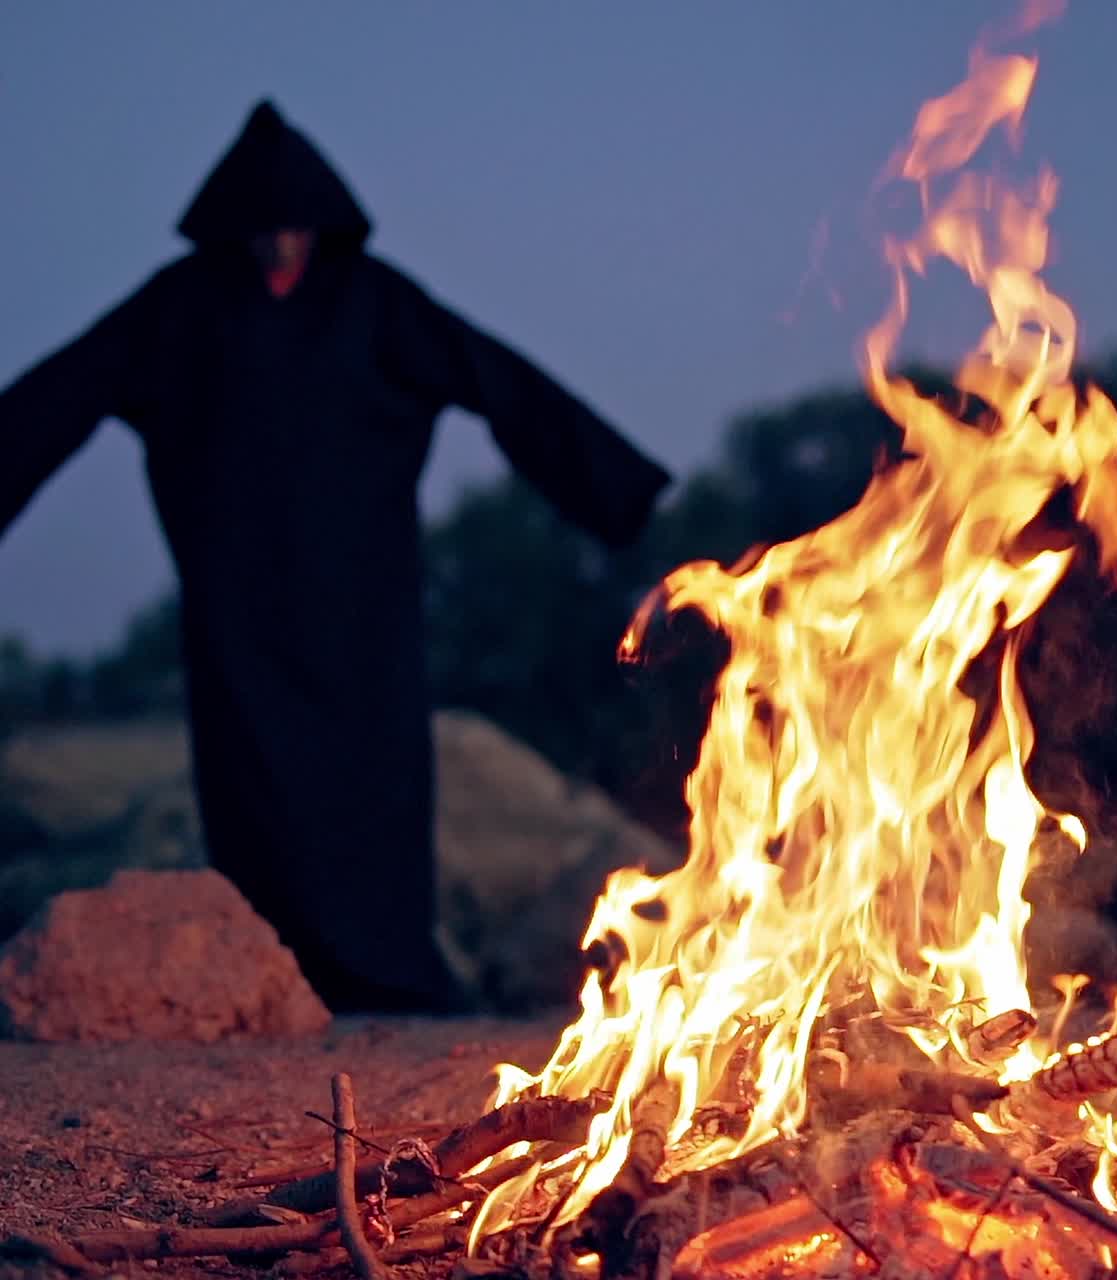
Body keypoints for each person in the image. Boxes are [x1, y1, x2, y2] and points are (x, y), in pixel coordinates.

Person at [0, 101, 671, 1013]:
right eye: (262, 230)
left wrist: (615, 489)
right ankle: (285, 978)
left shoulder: (375, 303)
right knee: (254, 791)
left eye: (294, 228)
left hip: (365, 603)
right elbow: (61, 395)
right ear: (230, 229)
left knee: (375, 789)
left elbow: (497, 380)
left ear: (322, 225)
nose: (279, 246)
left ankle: (389, 974)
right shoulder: (181, 306)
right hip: (239, 608)